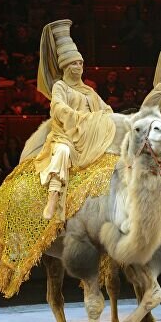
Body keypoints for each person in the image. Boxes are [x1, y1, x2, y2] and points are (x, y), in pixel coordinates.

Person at [34, 19, 115, 220]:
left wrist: (104, 118)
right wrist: (80, 118)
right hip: (67, 135)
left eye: (80, 63)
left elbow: (107, 109)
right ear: (65, 66)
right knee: (63, 151)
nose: (78, 66)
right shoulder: (60, 87)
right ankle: (54, 194)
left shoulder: (88, 90)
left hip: (91, 136)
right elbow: (58, 107)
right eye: (74, 63)